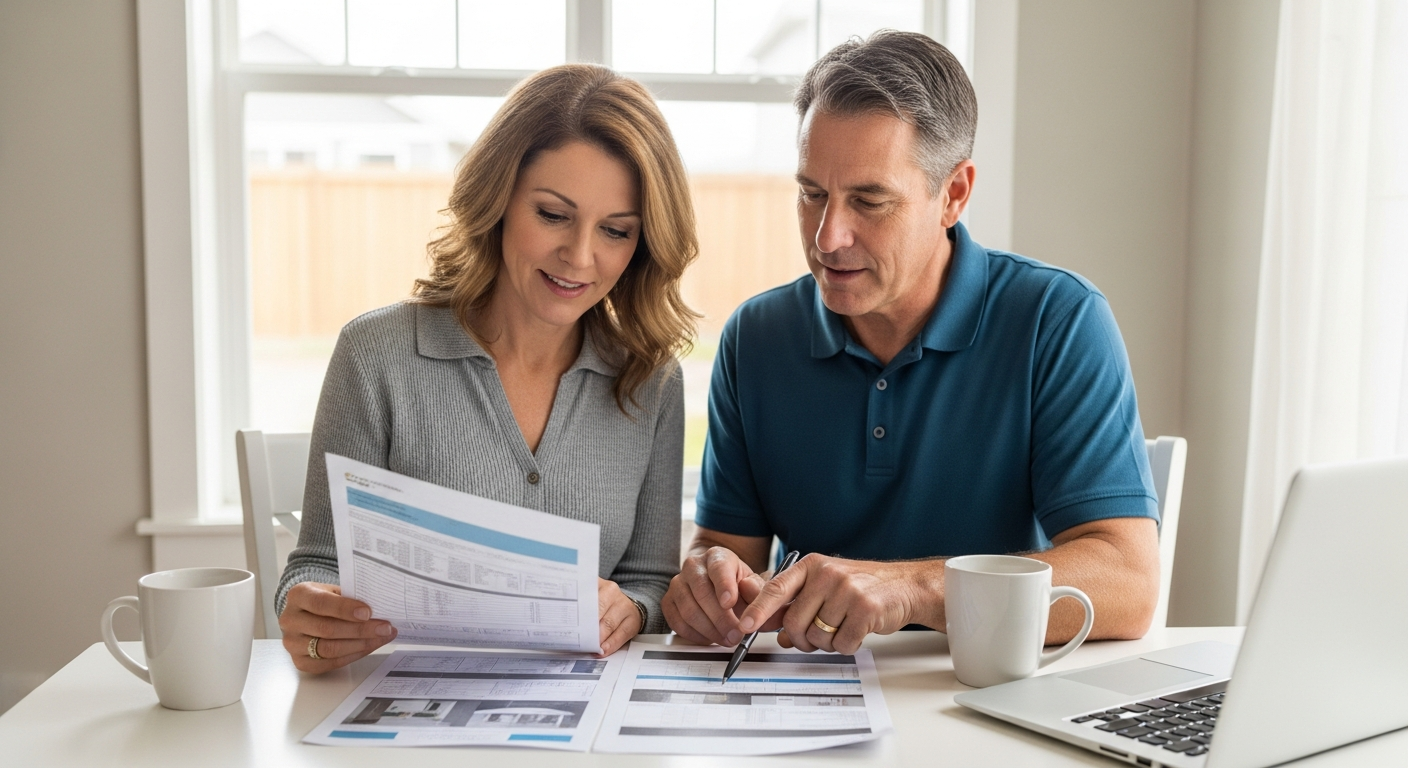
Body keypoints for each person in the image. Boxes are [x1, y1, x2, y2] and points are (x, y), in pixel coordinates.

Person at [662, 31, 1162, 656]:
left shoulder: (1057, 320)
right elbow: (725, 551)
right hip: (813, 696)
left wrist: (913, 589)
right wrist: (709, 582)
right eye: (811, 193)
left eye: (869, 201)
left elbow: (1128, 584)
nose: (828, 236)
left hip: (981, 698)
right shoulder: (755, 338)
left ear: (953, 194)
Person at [277, 64, 698, 673]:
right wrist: (309, 618)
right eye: (553, 215)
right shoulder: (375, 355)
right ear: (497, 199)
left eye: (615, 230)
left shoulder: (651, 378)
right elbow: (317, 565)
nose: (580, 257)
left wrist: (631, 608)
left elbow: (650, 581)